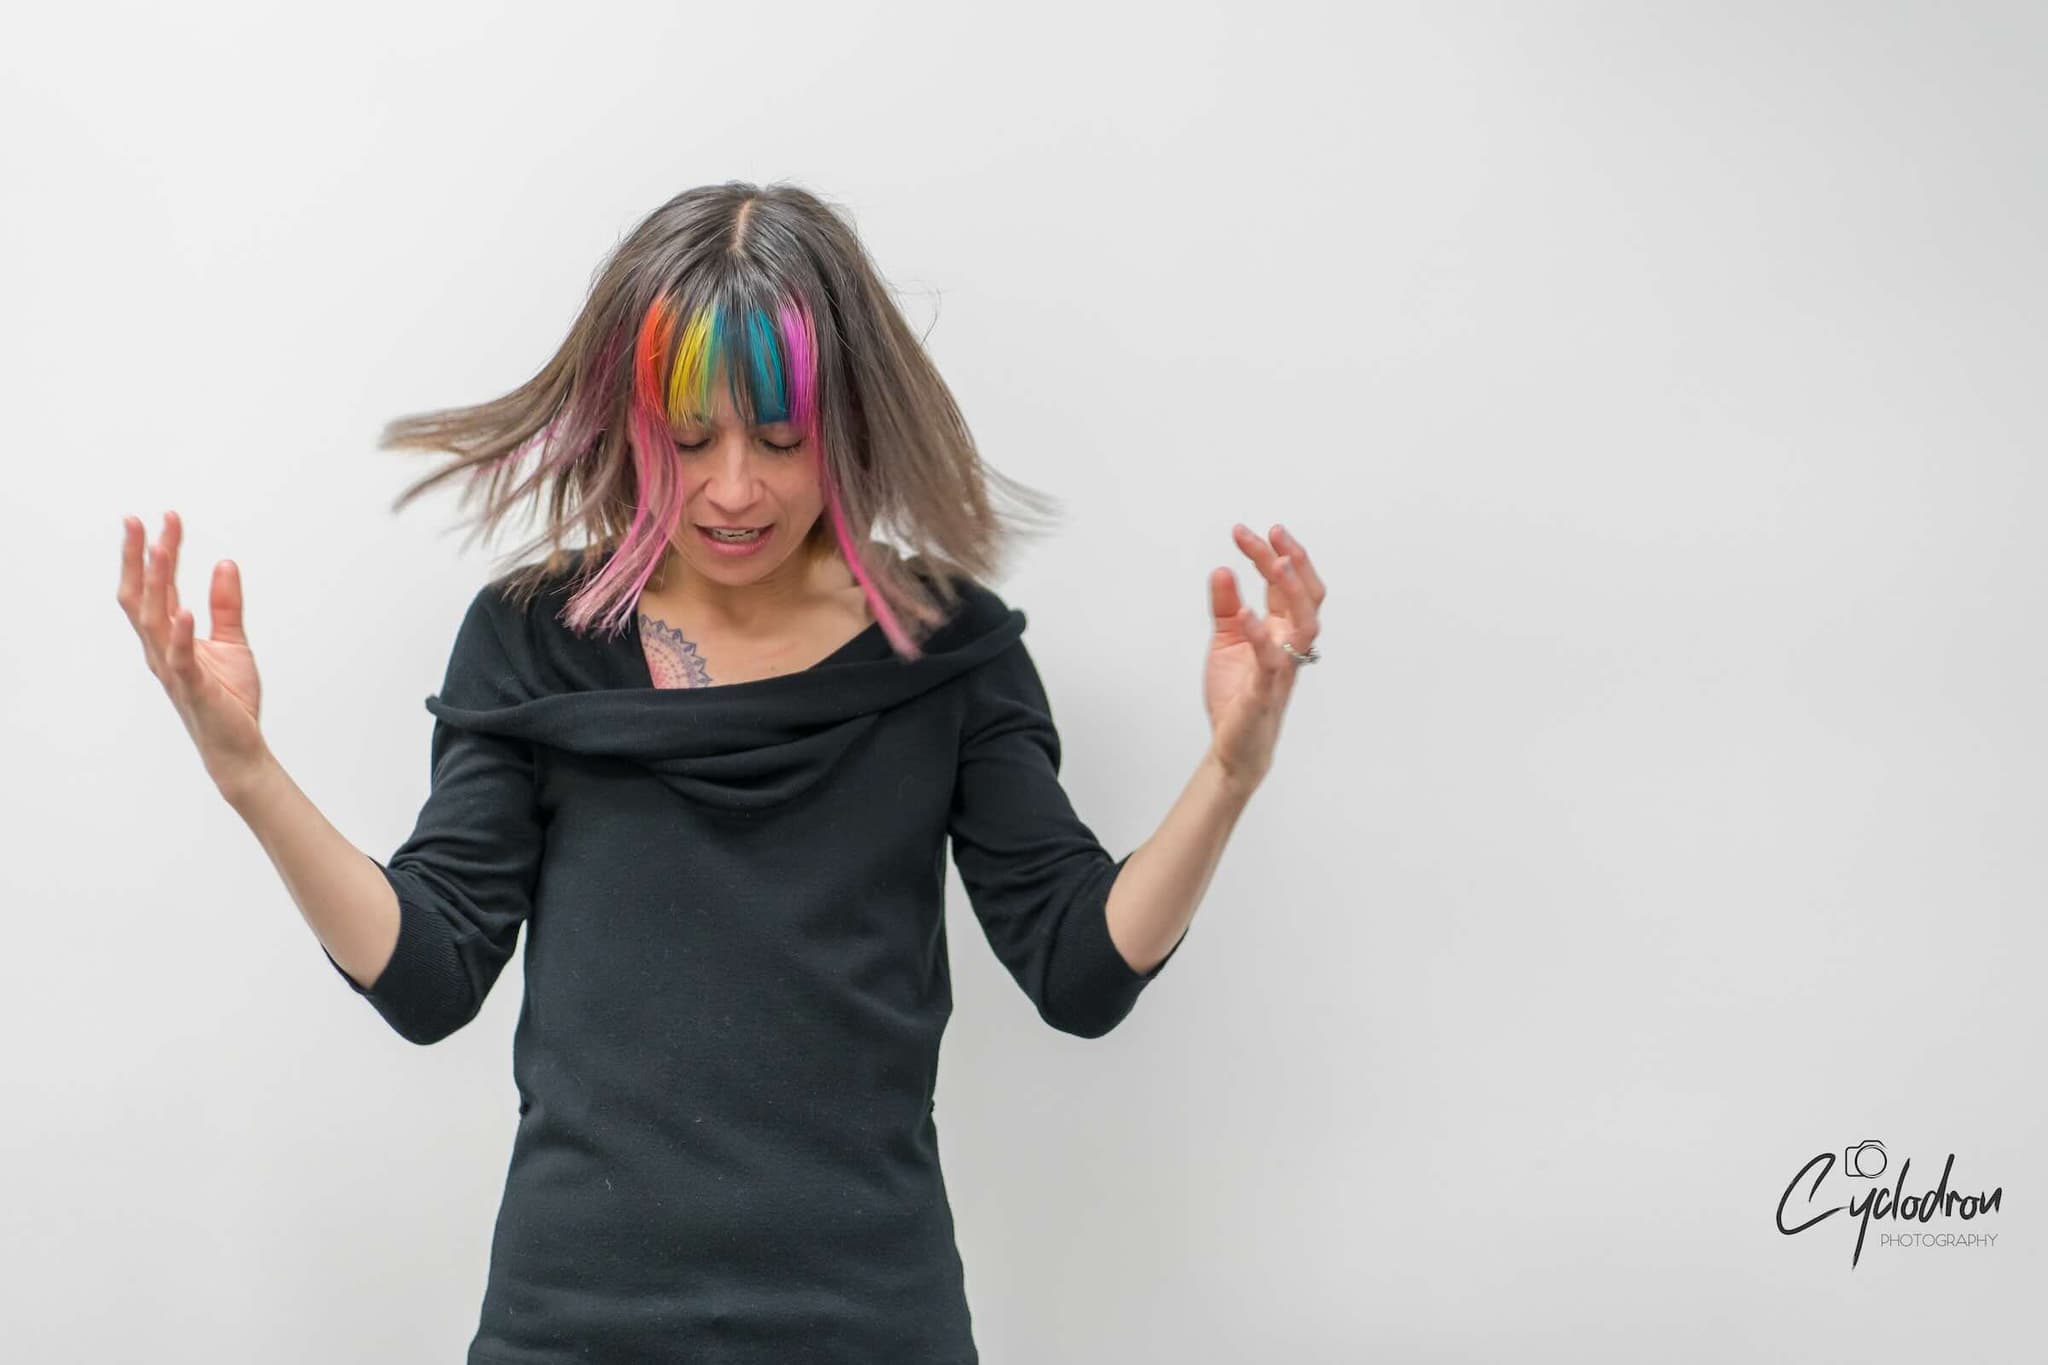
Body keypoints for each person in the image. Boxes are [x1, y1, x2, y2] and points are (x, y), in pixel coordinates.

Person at [116, 180, 1325, 1364]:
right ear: (624, 426)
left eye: (781, 440)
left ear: (847, 427)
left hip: (870, 1328)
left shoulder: (947, 651)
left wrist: (1227, 770)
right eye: (686, 441)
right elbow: (428, 976)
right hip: (573, 1329)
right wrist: (250, 776)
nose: (733, 488)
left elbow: (1079, 970)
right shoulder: (534, 643)